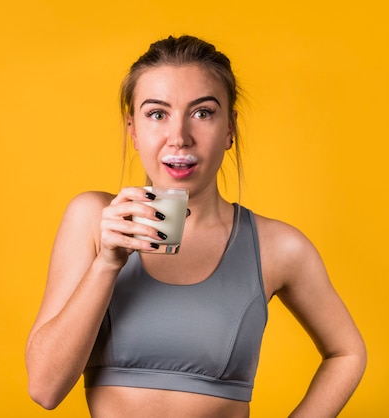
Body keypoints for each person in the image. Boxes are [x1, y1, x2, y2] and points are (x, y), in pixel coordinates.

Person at [25, 35, 366, 417]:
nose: (179, 137)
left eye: (202, 112)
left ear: (230, 129)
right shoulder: (93, 219)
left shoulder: (277, 247)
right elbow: (44, 388)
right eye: (157, 114)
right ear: (133, 129)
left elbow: (347, 353)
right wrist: (107, 262)